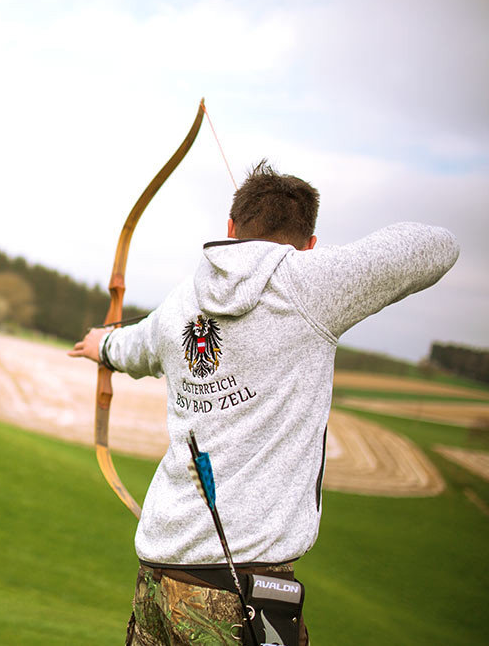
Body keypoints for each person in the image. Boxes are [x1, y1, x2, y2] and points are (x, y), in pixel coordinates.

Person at [68, 160, 459, 645]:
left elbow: (130, 346)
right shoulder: (311, 283)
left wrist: (98, 344)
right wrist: (315, 266)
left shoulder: (180, 302)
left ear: (230, 228)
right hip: (235, 589)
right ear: (310, 245)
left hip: (157, 580)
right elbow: (440, 244)